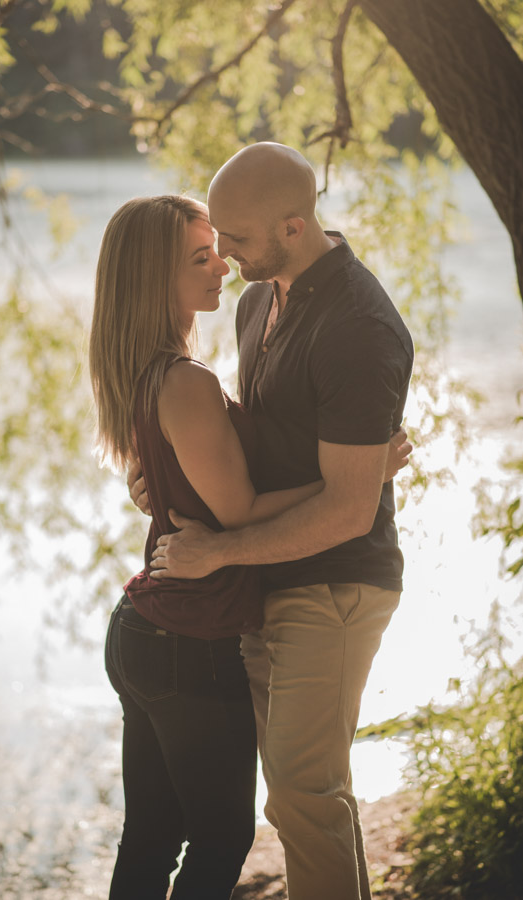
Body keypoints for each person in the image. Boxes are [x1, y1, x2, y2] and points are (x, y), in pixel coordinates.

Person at [90, 195, 409, 898]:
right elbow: (236, 511)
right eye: (201, 258)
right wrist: (354, 473)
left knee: (148, 837)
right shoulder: (187, 380)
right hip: (189, 639)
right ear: (152, 280)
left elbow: (201, 486)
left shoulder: (148, 370)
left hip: (145, 629)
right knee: (220, 837)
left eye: (220, 249)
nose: (223, 269)